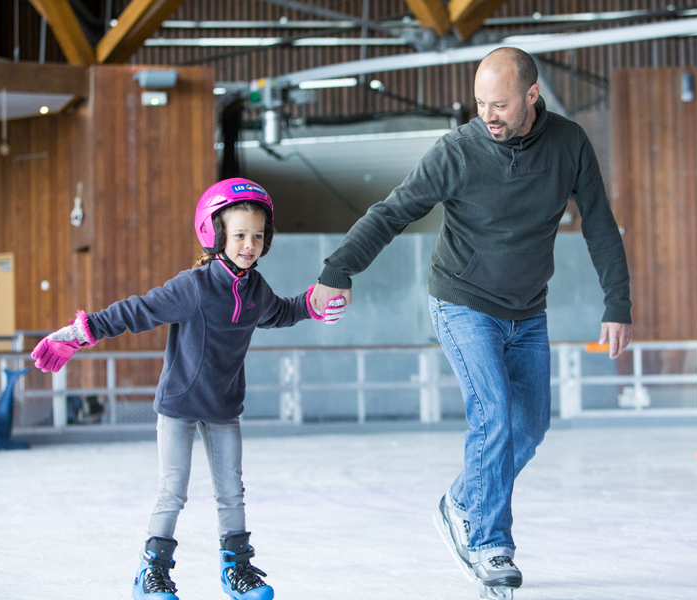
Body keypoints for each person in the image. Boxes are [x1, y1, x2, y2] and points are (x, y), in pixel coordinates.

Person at [310, 48, 633, 599]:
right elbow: (392, 211)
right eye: (482, 102)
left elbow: (600, 220)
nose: (489, 114)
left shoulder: (569, 144)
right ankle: (488, 544)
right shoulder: (457, 151)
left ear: (533, 96)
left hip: (527, 309)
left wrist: (617, 303)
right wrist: (337, 270)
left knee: (530, 426)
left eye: (501, 104)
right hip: (462, 302)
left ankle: (460, 502)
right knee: (495, 414)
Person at [31, 178, 345, 600]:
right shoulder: (193, 286)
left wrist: (311, 304)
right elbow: (136, 310)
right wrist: (79, 332)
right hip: (179, 406)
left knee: (231, 491)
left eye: (257, 236)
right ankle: (151, 572)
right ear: (215, 235)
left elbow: (279, 312)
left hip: (224, 408)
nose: (248, 245)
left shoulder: (254, 289)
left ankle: (237, 570)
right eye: (238, 236)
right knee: (172, 489)